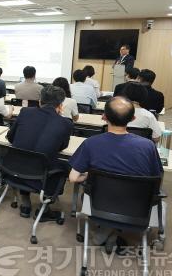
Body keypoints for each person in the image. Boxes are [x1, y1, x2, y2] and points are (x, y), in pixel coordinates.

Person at [69, 96, 162, 251]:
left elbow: (72, 178)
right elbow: (156, 179)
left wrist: (88, 176)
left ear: (104, 117)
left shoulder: (91, 143)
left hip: (98, 205)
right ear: (132, 119)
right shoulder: (148, 146)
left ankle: (107, 229)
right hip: (137, 208)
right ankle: (112, 231)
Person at [6, 85, 73, 219]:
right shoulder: (65, 123)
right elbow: (61, 147)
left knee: (27, 157)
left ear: (40, 101)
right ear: (60, 105)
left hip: (13, 170)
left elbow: (11, 137)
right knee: (64, 166)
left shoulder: (25, 112)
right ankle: (45, 207)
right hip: (40, 175)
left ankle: (25, 203)